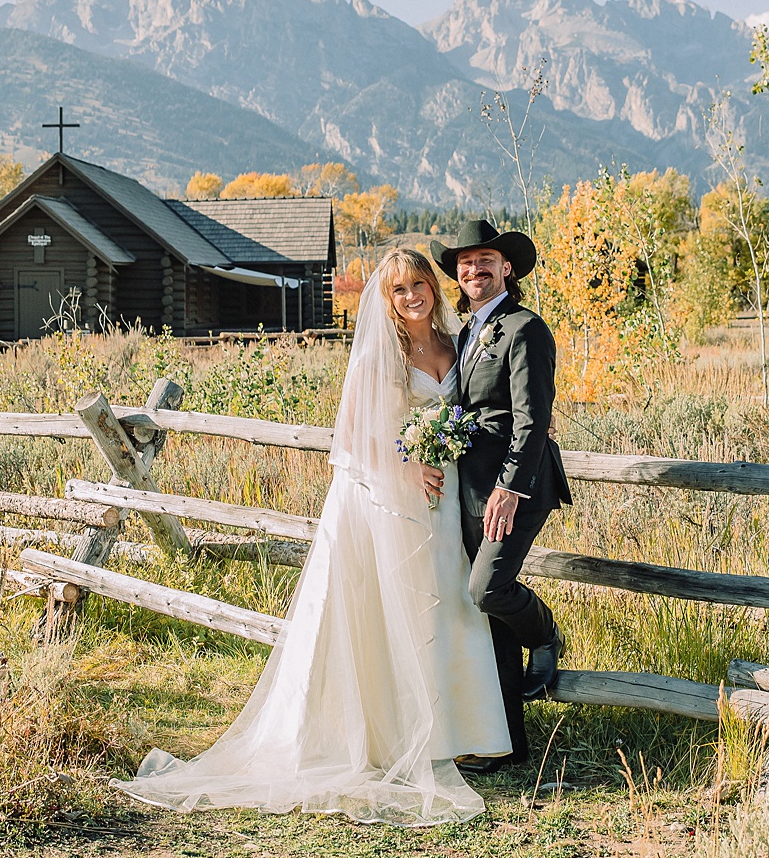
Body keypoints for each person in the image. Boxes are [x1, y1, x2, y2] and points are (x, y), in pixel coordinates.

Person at [115, 247, 511, 825]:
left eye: (419, 284)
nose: (411, 296)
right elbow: (352, 433)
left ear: (433, 285)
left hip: (443, 499)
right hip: (386, 494)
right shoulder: (383, 352)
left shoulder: (454, 345)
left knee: (437, 605)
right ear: (387, 301)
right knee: (383, 607)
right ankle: (379, 736)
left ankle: (449, 728)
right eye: (399, 290)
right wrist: (408, 466)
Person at [435, 220, 571, 774]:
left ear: (506, 267)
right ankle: (507, 743)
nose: (474, 269)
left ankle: (547, 633)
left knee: (487, 589)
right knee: (486, 619)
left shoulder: (524, 329)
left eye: (485, 259)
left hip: (518, 486)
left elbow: (533, 419)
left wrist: (510, 487)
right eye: (465, 262)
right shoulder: (467, 332)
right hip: (469, 488)